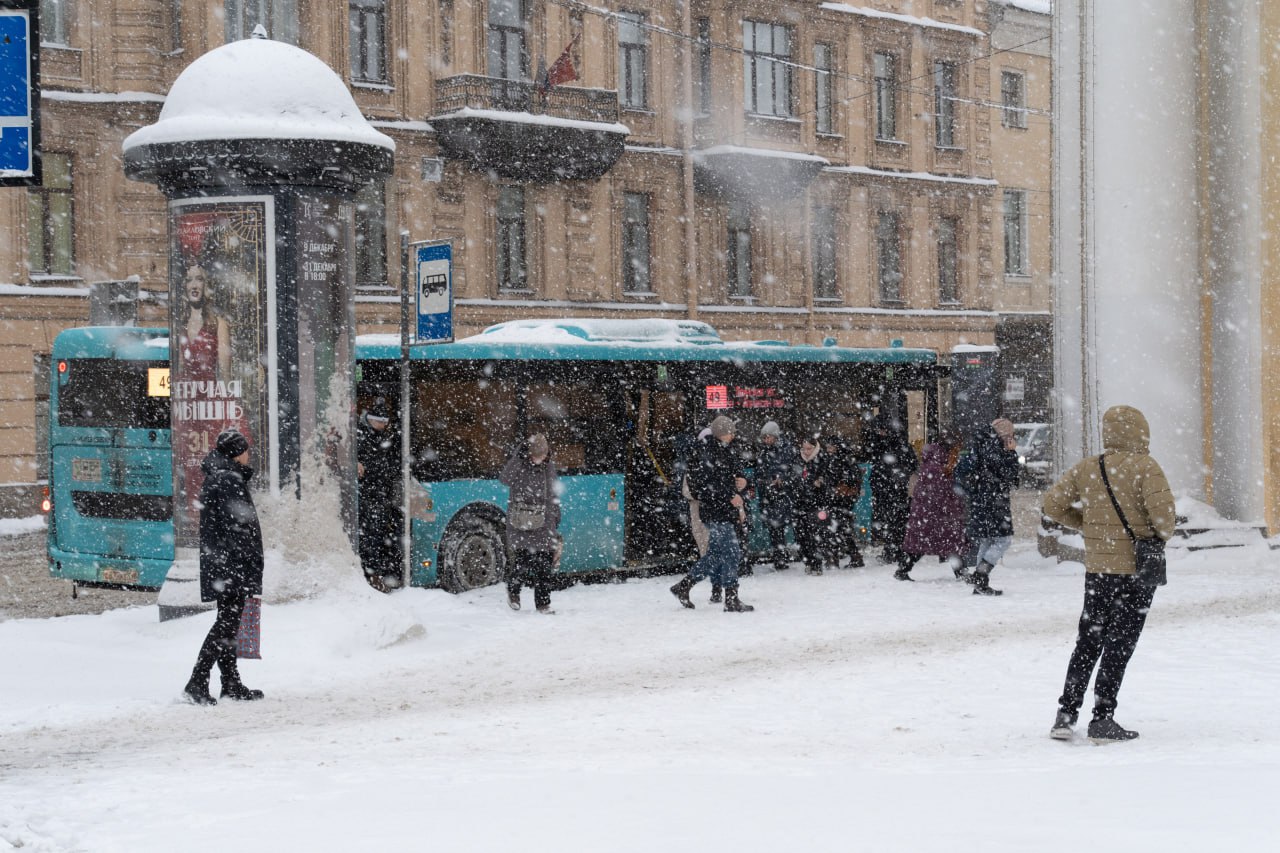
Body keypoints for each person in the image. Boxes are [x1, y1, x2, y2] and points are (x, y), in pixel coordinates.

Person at [1042, 405, 1175, 743]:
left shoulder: (1089, 467)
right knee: (1119, 644)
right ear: (1141, 432)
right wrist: (1150, 534)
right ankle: (1102, 718)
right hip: (1135, 571)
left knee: (1087, 641)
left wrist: (1087, 526)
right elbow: (1165, 523)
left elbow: (1052, 506)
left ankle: (1065, 714)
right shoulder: (1147, 467)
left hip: (1099, 570)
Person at [183, 430, 265, 706]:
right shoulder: (228, 479)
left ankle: (230, 682)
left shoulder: (222, 476)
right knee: (226, 625)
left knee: (229, 626)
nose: (248, 454)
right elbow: (239, 528)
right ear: (236, 453)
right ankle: (197, 680)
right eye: (245, 450)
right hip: (231, 564)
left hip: (224, 563)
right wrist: (248, 562)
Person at [669, 415, 754, 612]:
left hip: (723, 511)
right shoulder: (704, 454)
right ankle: (731, 598)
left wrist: (743, 482)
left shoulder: (726, 451)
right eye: (731, 431)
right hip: (716, 512)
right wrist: (730, 495)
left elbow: (735, 476)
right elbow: (705, 488)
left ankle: (683, 586)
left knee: (715, 555)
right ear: (722, 433)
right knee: (732, 553)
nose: (733, 434)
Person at [954, 419, 1021, 596]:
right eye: (1010, 434)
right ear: (1005, 434)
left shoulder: (980, 445)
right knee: (1003, 540)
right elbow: (1009, 475)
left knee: (987, 540)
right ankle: (980, 575)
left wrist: (973, 488)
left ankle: (980, 584)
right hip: (994, 501)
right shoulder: (996, 448)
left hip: (980, 499)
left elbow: (961, 471)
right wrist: (1012, 453)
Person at [501, 433, 562, 614]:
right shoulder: (519, 465)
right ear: (528, 453)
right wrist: (517, 459)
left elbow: (552, 493)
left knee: (544, 566)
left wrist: (556, 516)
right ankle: (513, 592)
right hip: (522, 522)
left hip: (544, 523)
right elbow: (504, 479)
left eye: (542, 455)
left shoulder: (548, 467)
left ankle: (543, 604)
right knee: (522, 562)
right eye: (536, 455)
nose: (539, 459)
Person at [897, 431, 969, 581]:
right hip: (935, 512)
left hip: (930, 512)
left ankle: (903, 570)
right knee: (947, 542)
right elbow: (941, 491)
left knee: (928, 543)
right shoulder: (938, 466)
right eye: (956, 447)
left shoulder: (936, 462)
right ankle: (961, 573)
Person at [356, 398, 403, 592]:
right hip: (368, 494)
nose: (383, 425)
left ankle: (376, 572)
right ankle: (371, 574)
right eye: (380, 421)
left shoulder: (383, 435)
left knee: (378, 535)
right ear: (371, 420)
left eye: (385, 422)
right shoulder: (360, 436)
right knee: (370, 537)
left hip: (379, 494)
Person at [863, 415, 919, 567]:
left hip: (894, 489)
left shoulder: (891, 445)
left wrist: (898, 478)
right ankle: (894, 550)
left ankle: (895, 551)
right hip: (888, 488)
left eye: (881, 430)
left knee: (895, 522)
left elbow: (910, 465)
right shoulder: (884, 444)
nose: (879, 433)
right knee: (893, 522)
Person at [792, 432, 839, 576]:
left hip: (817, 504)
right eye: (804, 448)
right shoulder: (797, 460)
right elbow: (792, 478)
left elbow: (831, 480)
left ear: (815, 447)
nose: (806, 451)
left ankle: (817, 563)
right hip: (800, 503)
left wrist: (821, 483)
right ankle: (808, 561)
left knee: (816, 535)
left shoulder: (822, 459)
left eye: (809, 448)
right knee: (801, 535)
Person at [177, 262, 231, 382]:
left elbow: (225, 374)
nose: (194, 285)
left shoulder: (218, 325)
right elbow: (179, 369)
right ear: (184, 286)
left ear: (205, 284)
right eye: (189, 280)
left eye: (199, 279)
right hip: (186, 394)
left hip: (210, 395)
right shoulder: (181, 326)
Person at [755, 420, 797, 572]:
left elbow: (792, 471)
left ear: (775, 436)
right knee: (775, 528)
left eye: (768, 437)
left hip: (780, 495)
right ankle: (780, 556)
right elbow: (760, 471)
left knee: (777, 527)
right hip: (769, 495)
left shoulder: (786, 450)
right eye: (764, 438)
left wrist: (782, 480)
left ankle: (780, 557)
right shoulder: (765, 451)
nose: (766, 440)